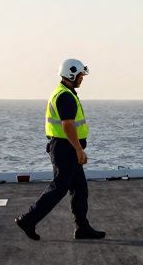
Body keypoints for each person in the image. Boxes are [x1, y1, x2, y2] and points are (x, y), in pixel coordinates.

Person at [16, 59, 106, 241]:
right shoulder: (65, 96)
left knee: (80, 189)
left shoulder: (65, 92)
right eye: (81, 75)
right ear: (72, 74)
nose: (82, 79)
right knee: (58, 188)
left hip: (66, 147)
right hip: (66, 148)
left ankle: (82, 228)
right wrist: (79, 149)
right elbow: (67, 126)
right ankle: (28, 219)